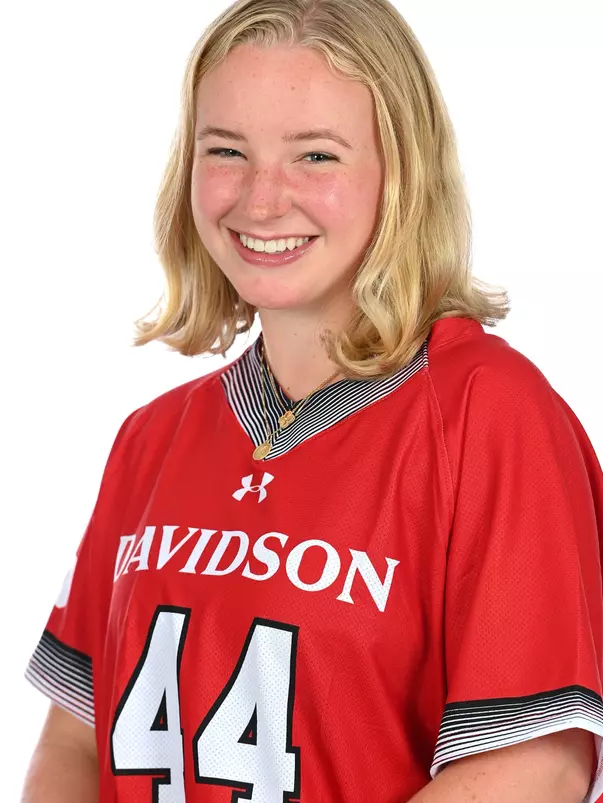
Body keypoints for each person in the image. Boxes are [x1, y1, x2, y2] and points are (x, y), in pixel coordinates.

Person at [21, 0, 603, 801]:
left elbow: (535, 765)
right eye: (226, 150)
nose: (261, 201)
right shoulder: (149, 439)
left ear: (401, 173)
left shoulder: (490, 417)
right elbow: (75, 740)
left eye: (316, 157)